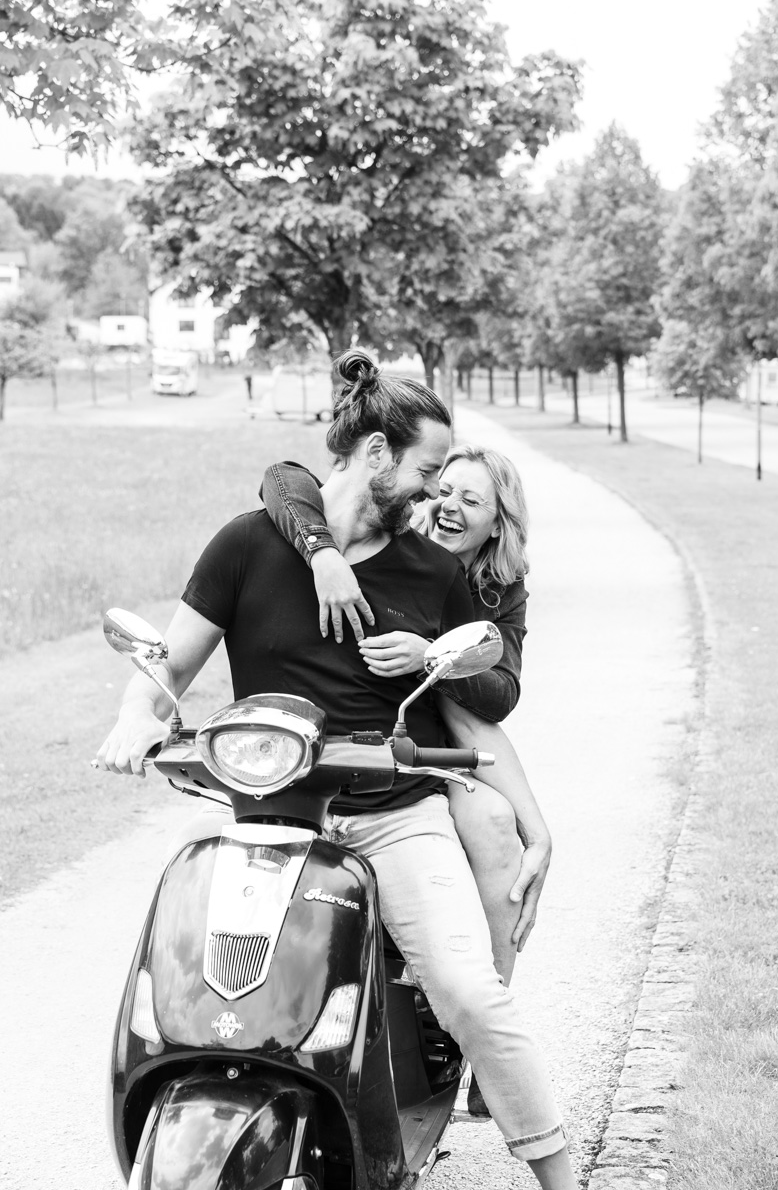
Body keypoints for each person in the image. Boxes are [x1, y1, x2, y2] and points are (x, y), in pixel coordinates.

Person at [97, 349, 577, 1190]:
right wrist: (135, 718)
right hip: (266, 812)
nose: (434, 495)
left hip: (396, 812)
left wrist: (531, 817)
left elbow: (469, 709)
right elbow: (168, 665)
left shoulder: (433, 573)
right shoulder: (249, 544)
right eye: (428, 471)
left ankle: (560, 1173)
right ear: (379, 455)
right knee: (183, 974)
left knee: (468, 988)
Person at [261, 443, 541, 1119]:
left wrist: (431, 658)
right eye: (442, 489)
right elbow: (285, 478)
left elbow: (497, 699)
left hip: (441, 751)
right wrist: (323, 549)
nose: (447, 506)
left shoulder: (499, 591)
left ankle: (474, 1035)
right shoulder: (395, 541)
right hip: (370, 744)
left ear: (498, 523)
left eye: (471, 501)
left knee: (499, 829)